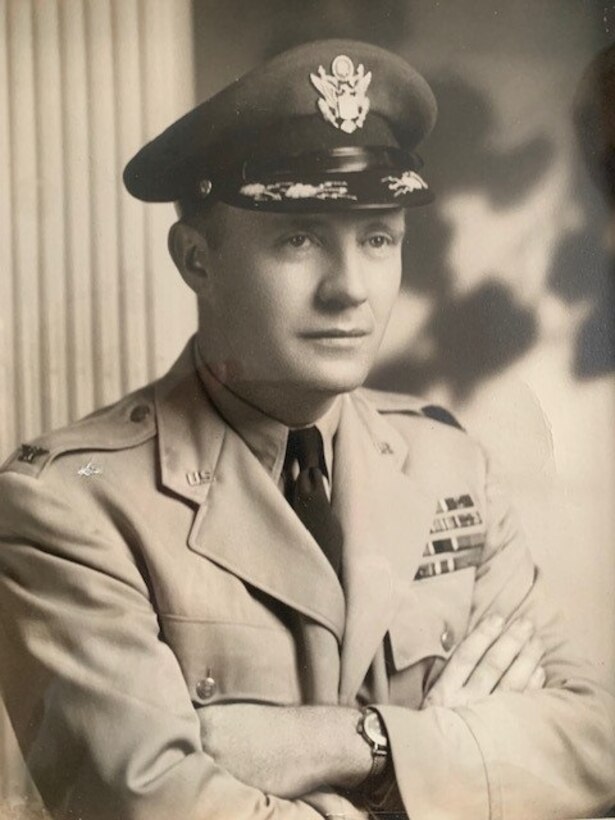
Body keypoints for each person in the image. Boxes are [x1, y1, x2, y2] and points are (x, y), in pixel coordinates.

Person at [0, 39, 613, 820]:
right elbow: (155, 807)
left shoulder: (449, 466)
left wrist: (362, 743)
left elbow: (596, 739)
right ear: (196, 259)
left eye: (378, 238)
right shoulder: (68, 506)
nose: (350, 289)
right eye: (298, 238)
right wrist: (454, 762)